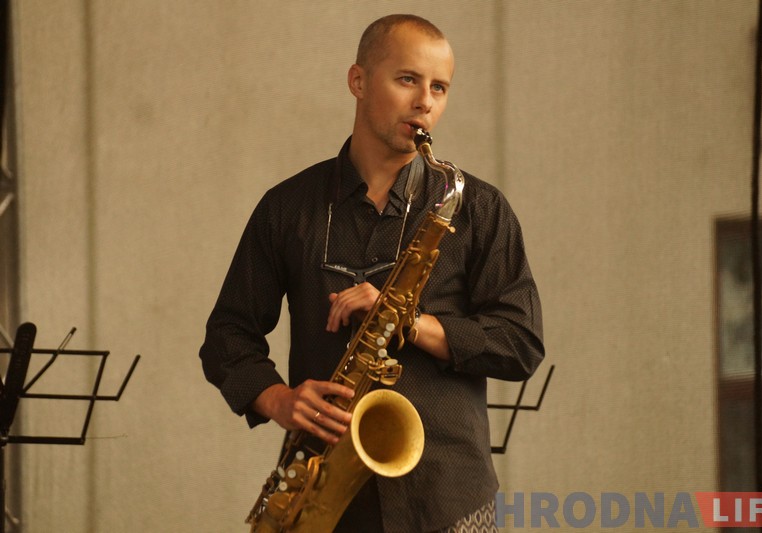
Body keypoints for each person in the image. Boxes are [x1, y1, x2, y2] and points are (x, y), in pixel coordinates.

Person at [199, 13, 544, 533]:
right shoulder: (287, 208)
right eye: (407, 79)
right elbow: (227, 336)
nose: (425, 101)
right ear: (358, 81)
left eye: (439, 87)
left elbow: (520, 341)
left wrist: (408, 320)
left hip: (447, 499)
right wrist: (279, 399)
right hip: (324, 498)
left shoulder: (478, 208)